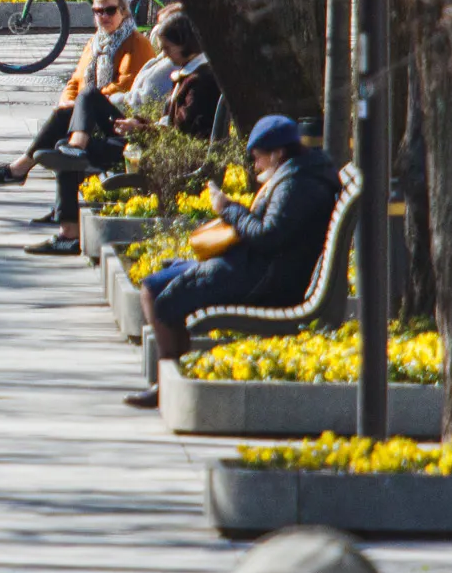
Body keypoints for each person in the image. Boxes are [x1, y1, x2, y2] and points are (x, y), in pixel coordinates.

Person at [125, 116, 339, 408]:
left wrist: (228, 209)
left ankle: (168, 385)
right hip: (254, 268)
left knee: (159, 296)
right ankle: (169, 379)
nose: (256, 167)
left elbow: (267, 235)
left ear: (277, 153)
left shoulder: (296, 185)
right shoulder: (298, 175)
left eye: (258, 158)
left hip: (264, 280)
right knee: (153, 286)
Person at [0, 0, 155, 253]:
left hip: (121, 120)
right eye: (98, 11)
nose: (103, 16)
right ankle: (67, 231)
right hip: (91, 116)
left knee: (85, 103)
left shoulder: (136, 43)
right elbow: (75, 80)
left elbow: (124, 88)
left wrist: (82, 104)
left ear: (124, 12)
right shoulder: (95, 42)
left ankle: (22, 167)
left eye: (109, 11)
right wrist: (69, 102)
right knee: (63, 140)